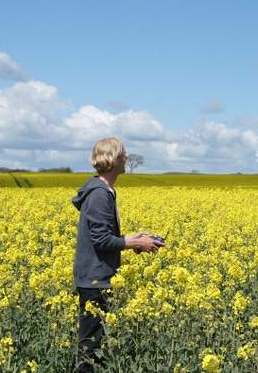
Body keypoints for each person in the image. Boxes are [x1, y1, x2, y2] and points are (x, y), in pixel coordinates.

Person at [71, 137, 163, 372]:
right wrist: (136, 244)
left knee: (95, 346)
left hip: (98, 276)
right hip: (95, 279)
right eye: (123, 154)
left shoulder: (104, 191)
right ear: (113, 160)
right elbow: (101, 240)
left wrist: (136, 238)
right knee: (89, 348)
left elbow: (102, 236)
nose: (127, 158)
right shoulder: (100, 194)